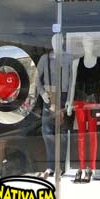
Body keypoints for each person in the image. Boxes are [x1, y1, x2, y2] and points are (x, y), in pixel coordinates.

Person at [66, 36, 100, 183]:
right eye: (85, 43)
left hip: (94, 102)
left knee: (92, 135)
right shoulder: (76, 62)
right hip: (79, 102)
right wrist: (70, 102)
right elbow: (72, 84)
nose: (87, 45)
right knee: (81, 135)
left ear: (93, 45)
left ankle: (92, 167)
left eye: (90, 42)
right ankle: (82, 167)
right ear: (82, 45)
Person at [36, 33, 72, 178]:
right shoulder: (44, 59)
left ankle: (61, 166)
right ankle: (50, 165)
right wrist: (42, 93)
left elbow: (72, 81)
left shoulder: (69, 58)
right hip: (49, 96)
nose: (56, 43)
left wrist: (69, 99)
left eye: (59, 40)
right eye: (53, 40)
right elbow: (36, 77)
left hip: (63, 96)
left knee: (62, 132)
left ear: (63, 41)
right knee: (47, 131)